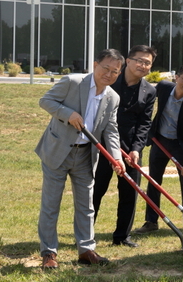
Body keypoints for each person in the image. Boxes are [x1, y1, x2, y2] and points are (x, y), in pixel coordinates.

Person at [35, 49, 125, 269]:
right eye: (106, 68)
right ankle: (49, 253)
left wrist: (116, 158)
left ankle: (86, 250)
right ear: (95, 65)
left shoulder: (113, 97)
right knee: (51, 204)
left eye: (115, 71)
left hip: (85, 156)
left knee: (86, 205)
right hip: (57, 151)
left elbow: (111, 130)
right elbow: (45, 101)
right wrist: (69, 114)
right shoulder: (73, 82)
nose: (109, 74)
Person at [92, 45, 157, 248]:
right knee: (96, 191)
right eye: (139, 60)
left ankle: (122, 237)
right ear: (127, 61)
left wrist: (136, 149)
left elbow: (145, 124)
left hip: (130, 150)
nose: (143, 65)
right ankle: (85, 234)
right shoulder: (110, 81)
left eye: (147, 63)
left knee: (129, 194)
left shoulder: (149, 91)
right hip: (102, 146)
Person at [133, 65, 183, 237]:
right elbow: (146, 98)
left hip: (180, 145)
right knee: (154, 181)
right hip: (160, 140)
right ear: (176, 77)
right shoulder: (163, 88)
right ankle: (151, 221)